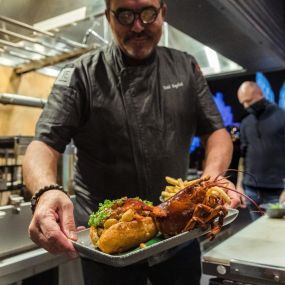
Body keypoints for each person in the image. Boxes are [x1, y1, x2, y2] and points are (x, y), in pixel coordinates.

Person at [23, 0, 240, 284]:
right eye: (125, 14)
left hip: (178, 236)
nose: (137, 26)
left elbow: (216, 131)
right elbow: (43, 144)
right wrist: (45, 191)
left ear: (163, 12)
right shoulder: (81, 75)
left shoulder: (185, 67)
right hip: (108, 249)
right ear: (108, 16)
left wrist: (212, 175)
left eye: (148, 13)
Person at [236, 81, 285, 221]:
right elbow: (243, 156)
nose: (246, 106)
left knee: (278, 236)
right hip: (251, 191)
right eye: (243, 103)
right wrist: (239, 185)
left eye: (249, 101)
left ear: (260, 94)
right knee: (257, 233)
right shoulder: (246, 123)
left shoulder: (282, 117)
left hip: (277, 191)